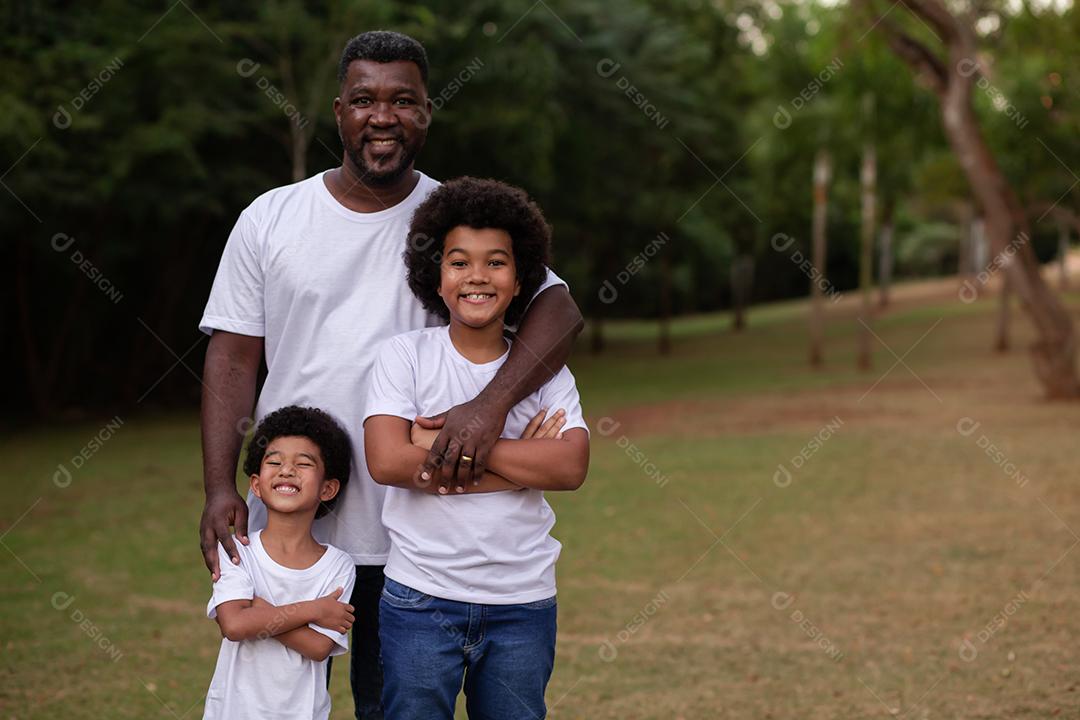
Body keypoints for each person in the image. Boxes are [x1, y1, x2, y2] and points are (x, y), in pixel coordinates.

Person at [197, 30, 583, 719]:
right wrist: (218, 485)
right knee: (276, 702)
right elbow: (232, 357)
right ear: (338, 111)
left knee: (389, 705)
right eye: (365, 100)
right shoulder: (272, 217)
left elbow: (559, 307)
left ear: (428, 112)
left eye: (403, 100)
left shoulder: (452, 220)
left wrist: (486, 410)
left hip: (414, 533)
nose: (383, 116)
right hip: (296, 520)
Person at [364, 177, 590, 719]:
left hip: (522, 599)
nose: (477, 278)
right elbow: (388, 461)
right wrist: (520, 466)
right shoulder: (405, 357)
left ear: (520, 281)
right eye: (459, 262)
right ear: (435, 278)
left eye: (496, 263)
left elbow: (569, 465)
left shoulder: (545, 373)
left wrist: (437, 444)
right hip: (420, 596)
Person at [203, 406, 357, 720]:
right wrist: (313, 610)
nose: (287, 470)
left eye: (303, 463)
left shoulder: (339, 566)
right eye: (274, 462)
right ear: (256, 486)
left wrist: (256, 612)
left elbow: (318, 647)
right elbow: (233, 626)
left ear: (327, 488)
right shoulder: (237, 551)